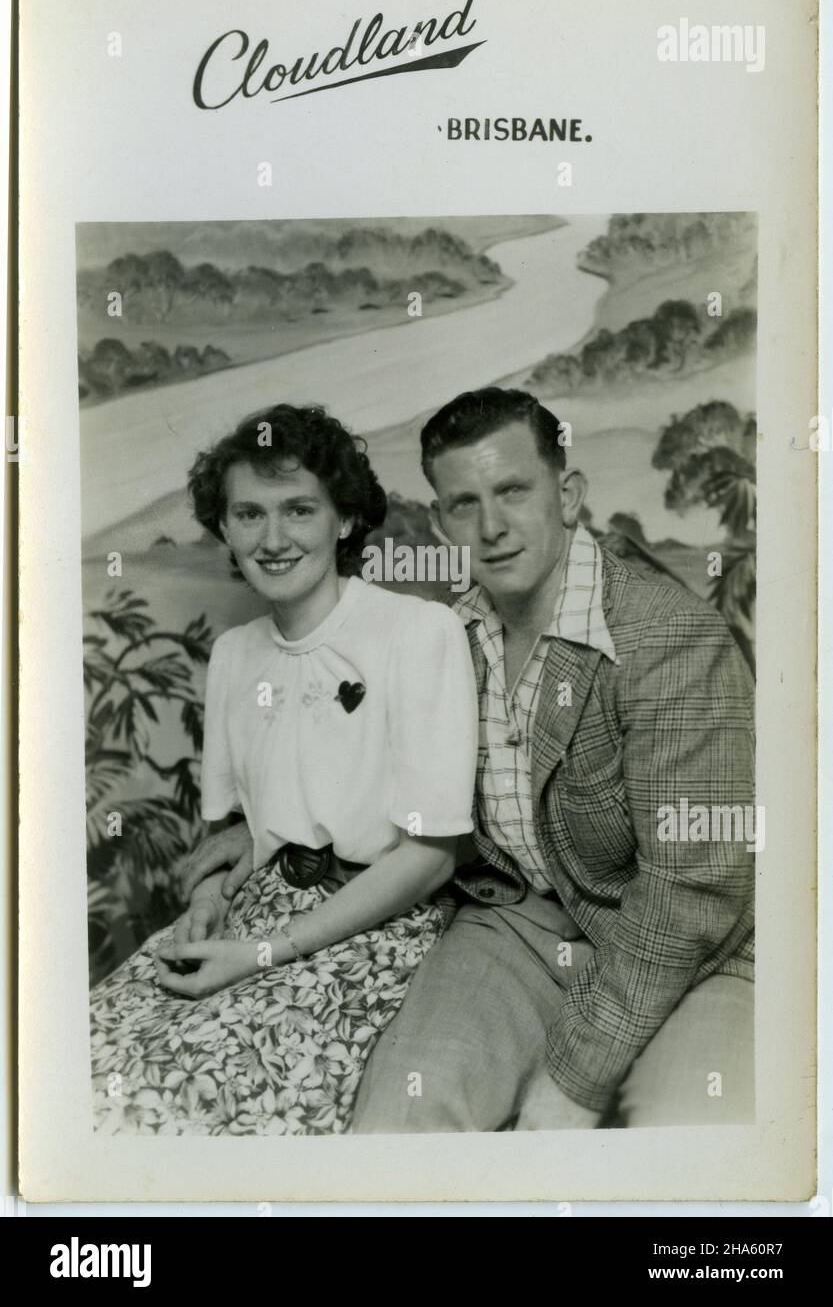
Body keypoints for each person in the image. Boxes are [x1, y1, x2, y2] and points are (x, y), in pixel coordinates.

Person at [349, 386, 756, 1132]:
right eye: (464, 504)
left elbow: (690, 893)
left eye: (512, 490)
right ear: (440, 522)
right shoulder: (444, 639)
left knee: (682, 1131)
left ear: (567, 495)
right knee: (401, 1116)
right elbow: (355, 770)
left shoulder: (670, 639)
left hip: (704, 949)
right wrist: (238, 830)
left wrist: (574, 1077)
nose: (493, 527)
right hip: (525, 924)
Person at [89, 402, 477, 1135]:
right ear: (225, 529)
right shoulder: (236, 653)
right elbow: (235, 827)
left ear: (343, 520)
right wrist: (207, 900)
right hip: (252, 915)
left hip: (373, 929)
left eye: (298, 510)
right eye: (248, 515)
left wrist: (262, 954)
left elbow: (429, 859)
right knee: (91, 1058)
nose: (272, 540)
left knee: (185, 1098)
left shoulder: (418, 632)